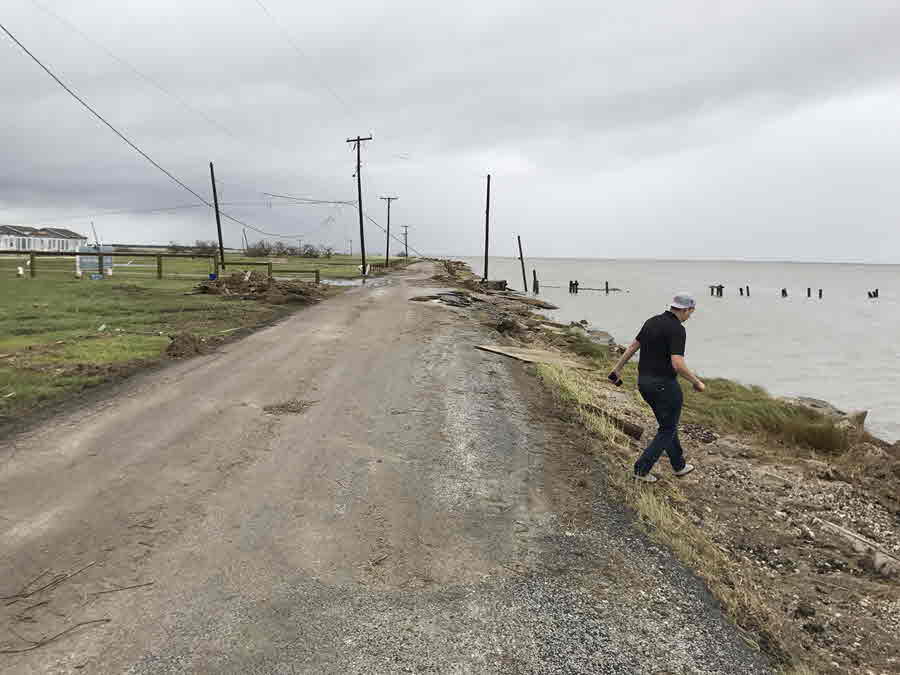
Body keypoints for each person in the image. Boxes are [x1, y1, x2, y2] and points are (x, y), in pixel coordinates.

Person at [608, 293, 705, 482]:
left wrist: (617, 369)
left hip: (644, 383)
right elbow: (677, 363)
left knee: (667, 425)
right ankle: (641, 470)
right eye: (690, 313)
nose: (689, 317)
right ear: (685, 310)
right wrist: (696, 382)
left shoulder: (652, 321)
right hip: (664, 385)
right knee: (668, 428)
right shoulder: (677, 329)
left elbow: (633, 347)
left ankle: (679, 465)